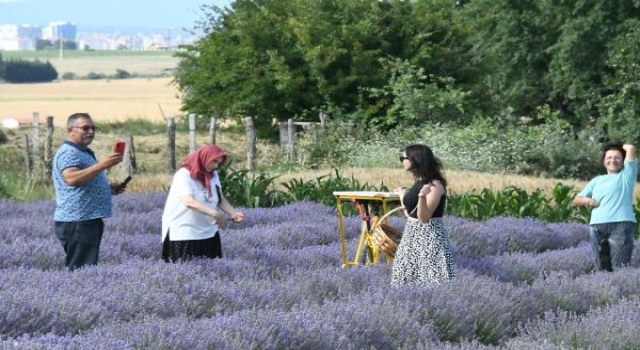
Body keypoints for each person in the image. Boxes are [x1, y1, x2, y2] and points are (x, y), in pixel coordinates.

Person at [53, 112, 125, 270]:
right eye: (85, 128)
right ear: (71, 130)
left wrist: (108, 188)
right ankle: (74, 294)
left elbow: (83, 180)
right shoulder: (69, 152)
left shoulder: (81, 152)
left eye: (93, 128)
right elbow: (72, 178)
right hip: (78, 219)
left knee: (86, 266)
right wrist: (102, 165)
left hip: (86, 218)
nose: (91, 132)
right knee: (81, 269)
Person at [161, 145, 244, 262]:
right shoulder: (183, 175)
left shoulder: (213, 175)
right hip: (184, 233)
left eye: (219, 163)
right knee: (184, 272)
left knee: (212, 272)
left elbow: (219, 198)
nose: (216, 166)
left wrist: (233, 213)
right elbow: (189, 202)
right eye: (214, 161)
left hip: (208, 231)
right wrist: (214, 214)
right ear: (204, 157)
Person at [391, 144, 455, 286]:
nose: (402, 161)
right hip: (412, 235)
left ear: (415, 159)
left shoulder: (434, 185)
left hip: (429, 238)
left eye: (404, 157)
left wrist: (421, 197)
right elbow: (412, 215)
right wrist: (403, 197)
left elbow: (424, 218)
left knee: (432, 280)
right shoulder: (420, 183)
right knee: (403, 277)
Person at [574, 142, 637, 272]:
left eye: (617, 157)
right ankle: (605, 291)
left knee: (620, 267)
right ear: (604, 161)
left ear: (623, 161)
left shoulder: (627, 176)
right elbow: (577, 199)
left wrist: (617, 146)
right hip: (597, 226)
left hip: (621, 225)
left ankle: (622, 292)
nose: (612, 160)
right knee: (601, 268)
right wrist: (588, 201)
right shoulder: (596, 180)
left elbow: (630, 148)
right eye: (608, 157)